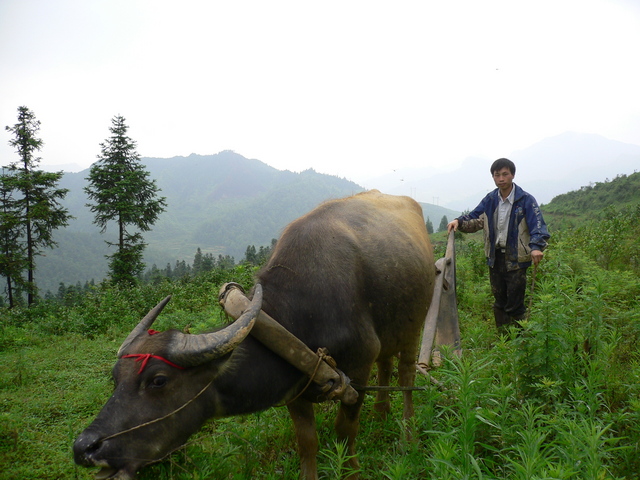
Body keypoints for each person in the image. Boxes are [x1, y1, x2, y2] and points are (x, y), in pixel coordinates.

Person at [447, 158, 550, 331]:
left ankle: (518, 341)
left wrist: (536, 247)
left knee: (515, 303)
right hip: (495, 257)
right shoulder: (491, 199)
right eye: (497, 175)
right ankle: (502, 338)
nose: (501, 178)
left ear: (512, 175)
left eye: (505, 174)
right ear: (493, 178)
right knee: (499, 300)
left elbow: (538, 226)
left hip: (517, 259)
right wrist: (459, 221)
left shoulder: (525, 200)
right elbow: (475, 216)